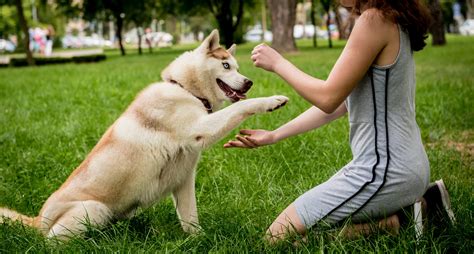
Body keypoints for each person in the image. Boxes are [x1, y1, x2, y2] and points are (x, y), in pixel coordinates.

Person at [224, 0, 455, 243]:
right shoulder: (391, 16)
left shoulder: (373, 20)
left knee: (276, 238)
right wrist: (274, 134)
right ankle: (424, 207)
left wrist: (278, 63)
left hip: (383, 173)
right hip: (404, 167)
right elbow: (345, 102)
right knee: (292, 236)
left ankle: (398, 222)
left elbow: (328, 97)